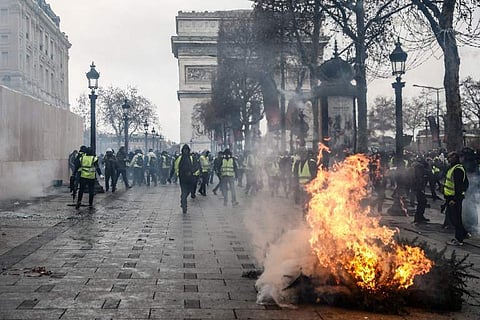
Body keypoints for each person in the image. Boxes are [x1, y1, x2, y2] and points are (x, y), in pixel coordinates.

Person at [444, 151, 470, 246]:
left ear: (455, 158)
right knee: (453, 217)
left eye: (450, 157)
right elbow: (465, 184)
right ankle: (464, 233)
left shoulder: (457, 169)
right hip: (451, 197)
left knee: (455, 219)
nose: (448, 159)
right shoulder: (455, 168)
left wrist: (454, 199)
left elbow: (459, 186)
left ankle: (459, 239)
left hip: (454, 198)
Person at [173, 144, 196, 214]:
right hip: (182, 178)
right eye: (184, 150)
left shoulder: (192, 158)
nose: (185, 151)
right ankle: (184, 206)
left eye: (186, 150)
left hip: (190, 178)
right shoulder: (179, 158)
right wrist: (171, 176)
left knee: (189, 190)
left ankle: (183, 200)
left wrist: (192, 172)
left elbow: (196, 166)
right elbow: (174, 167)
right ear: (182, 150)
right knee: (184, 191)